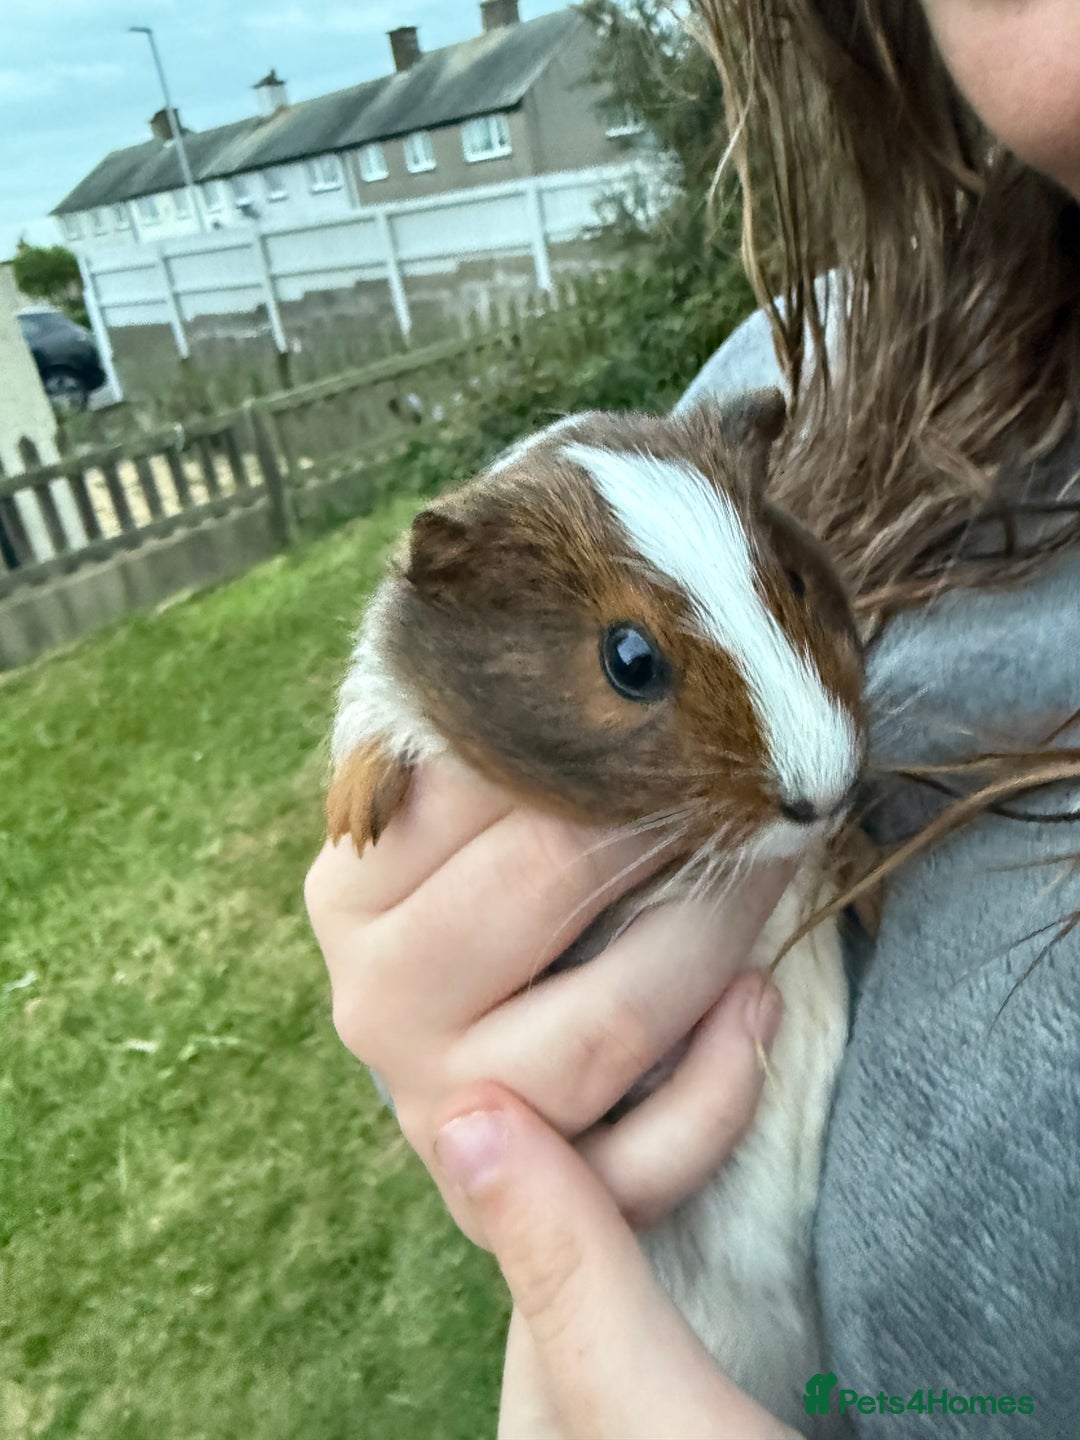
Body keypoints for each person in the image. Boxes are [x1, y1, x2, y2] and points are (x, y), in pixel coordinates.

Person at [305, 1, 1080, 1435]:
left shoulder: (755, 438)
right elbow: (402, 675)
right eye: (640, 665)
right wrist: (488, 1107)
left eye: (796, 588)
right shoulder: (788, 379)